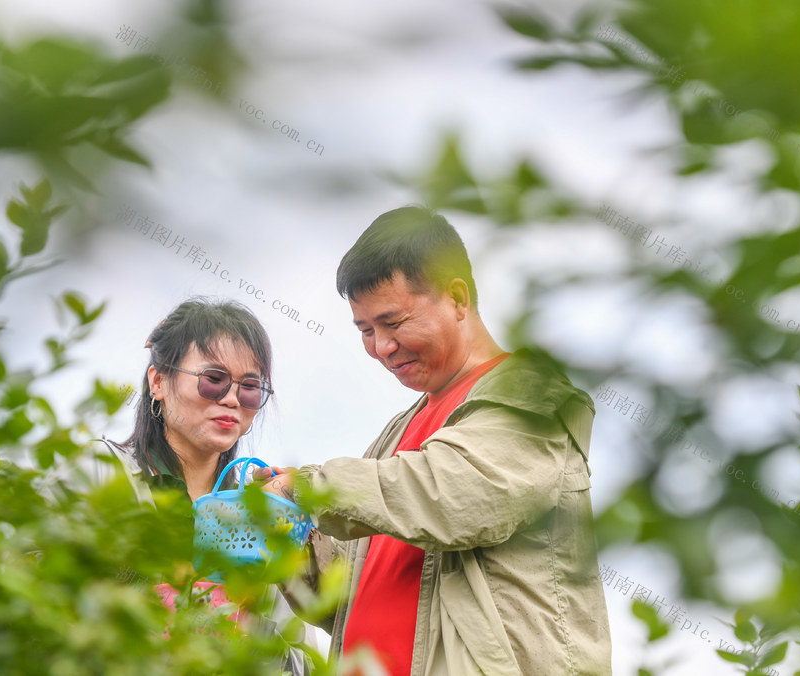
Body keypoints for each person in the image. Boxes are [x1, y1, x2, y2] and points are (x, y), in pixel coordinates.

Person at [260, 207, 612, 675]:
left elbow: (454, 496)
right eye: (365, 330)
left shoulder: (533, 398)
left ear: (458, 298)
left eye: (393, 322)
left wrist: (305, 488)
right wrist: (288, 533)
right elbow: (344, 599)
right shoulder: (396, 436)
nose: (381, 347)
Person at [91, 297, 311, 675]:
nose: (230, 399)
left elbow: (302, 663)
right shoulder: (102, 471)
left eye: (250, 387)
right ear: (158, 381)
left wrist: (248, 629)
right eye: (213, 379)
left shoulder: (261, 516)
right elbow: (30, 585)